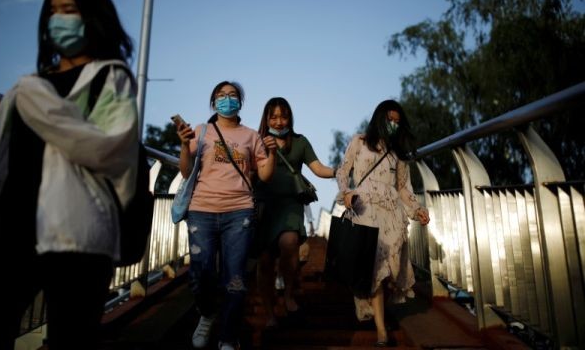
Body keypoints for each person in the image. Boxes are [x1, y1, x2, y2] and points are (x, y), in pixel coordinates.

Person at [0, 0, 139, 350]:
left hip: (76, 232)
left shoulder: (110, 77)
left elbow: (108, 149)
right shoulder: (29, 86)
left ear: (92, 16)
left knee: (72, 338)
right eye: (52, 11)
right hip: (11, 228)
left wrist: (41, 107)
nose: (58, 19)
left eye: (68, 10)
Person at [175, 81, 277, 350]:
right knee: (201, 273)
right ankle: (207, 315)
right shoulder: (202, 131)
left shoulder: (251, 136)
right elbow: (186, 171)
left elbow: (264, 175)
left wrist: (273, 153)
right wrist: (185, 145)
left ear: (240, 102)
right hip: (201, 211)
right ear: (213, 102)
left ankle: (228, 336)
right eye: (221, 96)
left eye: (232, 96)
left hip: (239, 212)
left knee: (235, 279)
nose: (227, 100)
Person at [335, 99, 430, 347]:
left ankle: (371, 305)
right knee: (376, 268)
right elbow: (343, 171)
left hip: (391, 214)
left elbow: (402, 188)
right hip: (365, 208)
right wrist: (345, 192)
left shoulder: (398, 154)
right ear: (379, 118)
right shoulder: (359, 141)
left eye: (398, 122)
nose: (393, 125)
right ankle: (381, 330)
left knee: (392, 270)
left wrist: (417, 209)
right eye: (390, 120)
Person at [254, 97, 336, 328]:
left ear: (290, 117)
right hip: (263, 205)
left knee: (290, 242)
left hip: (290, 204)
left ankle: (289, 293)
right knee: (265, 261)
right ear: (266, 118)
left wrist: (339, 171)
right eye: (273, 117)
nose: (279, 121)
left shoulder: (300, 142)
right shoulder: (257, 141)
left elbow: (317, 167)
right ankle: (270, 313)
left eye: (283, 116)